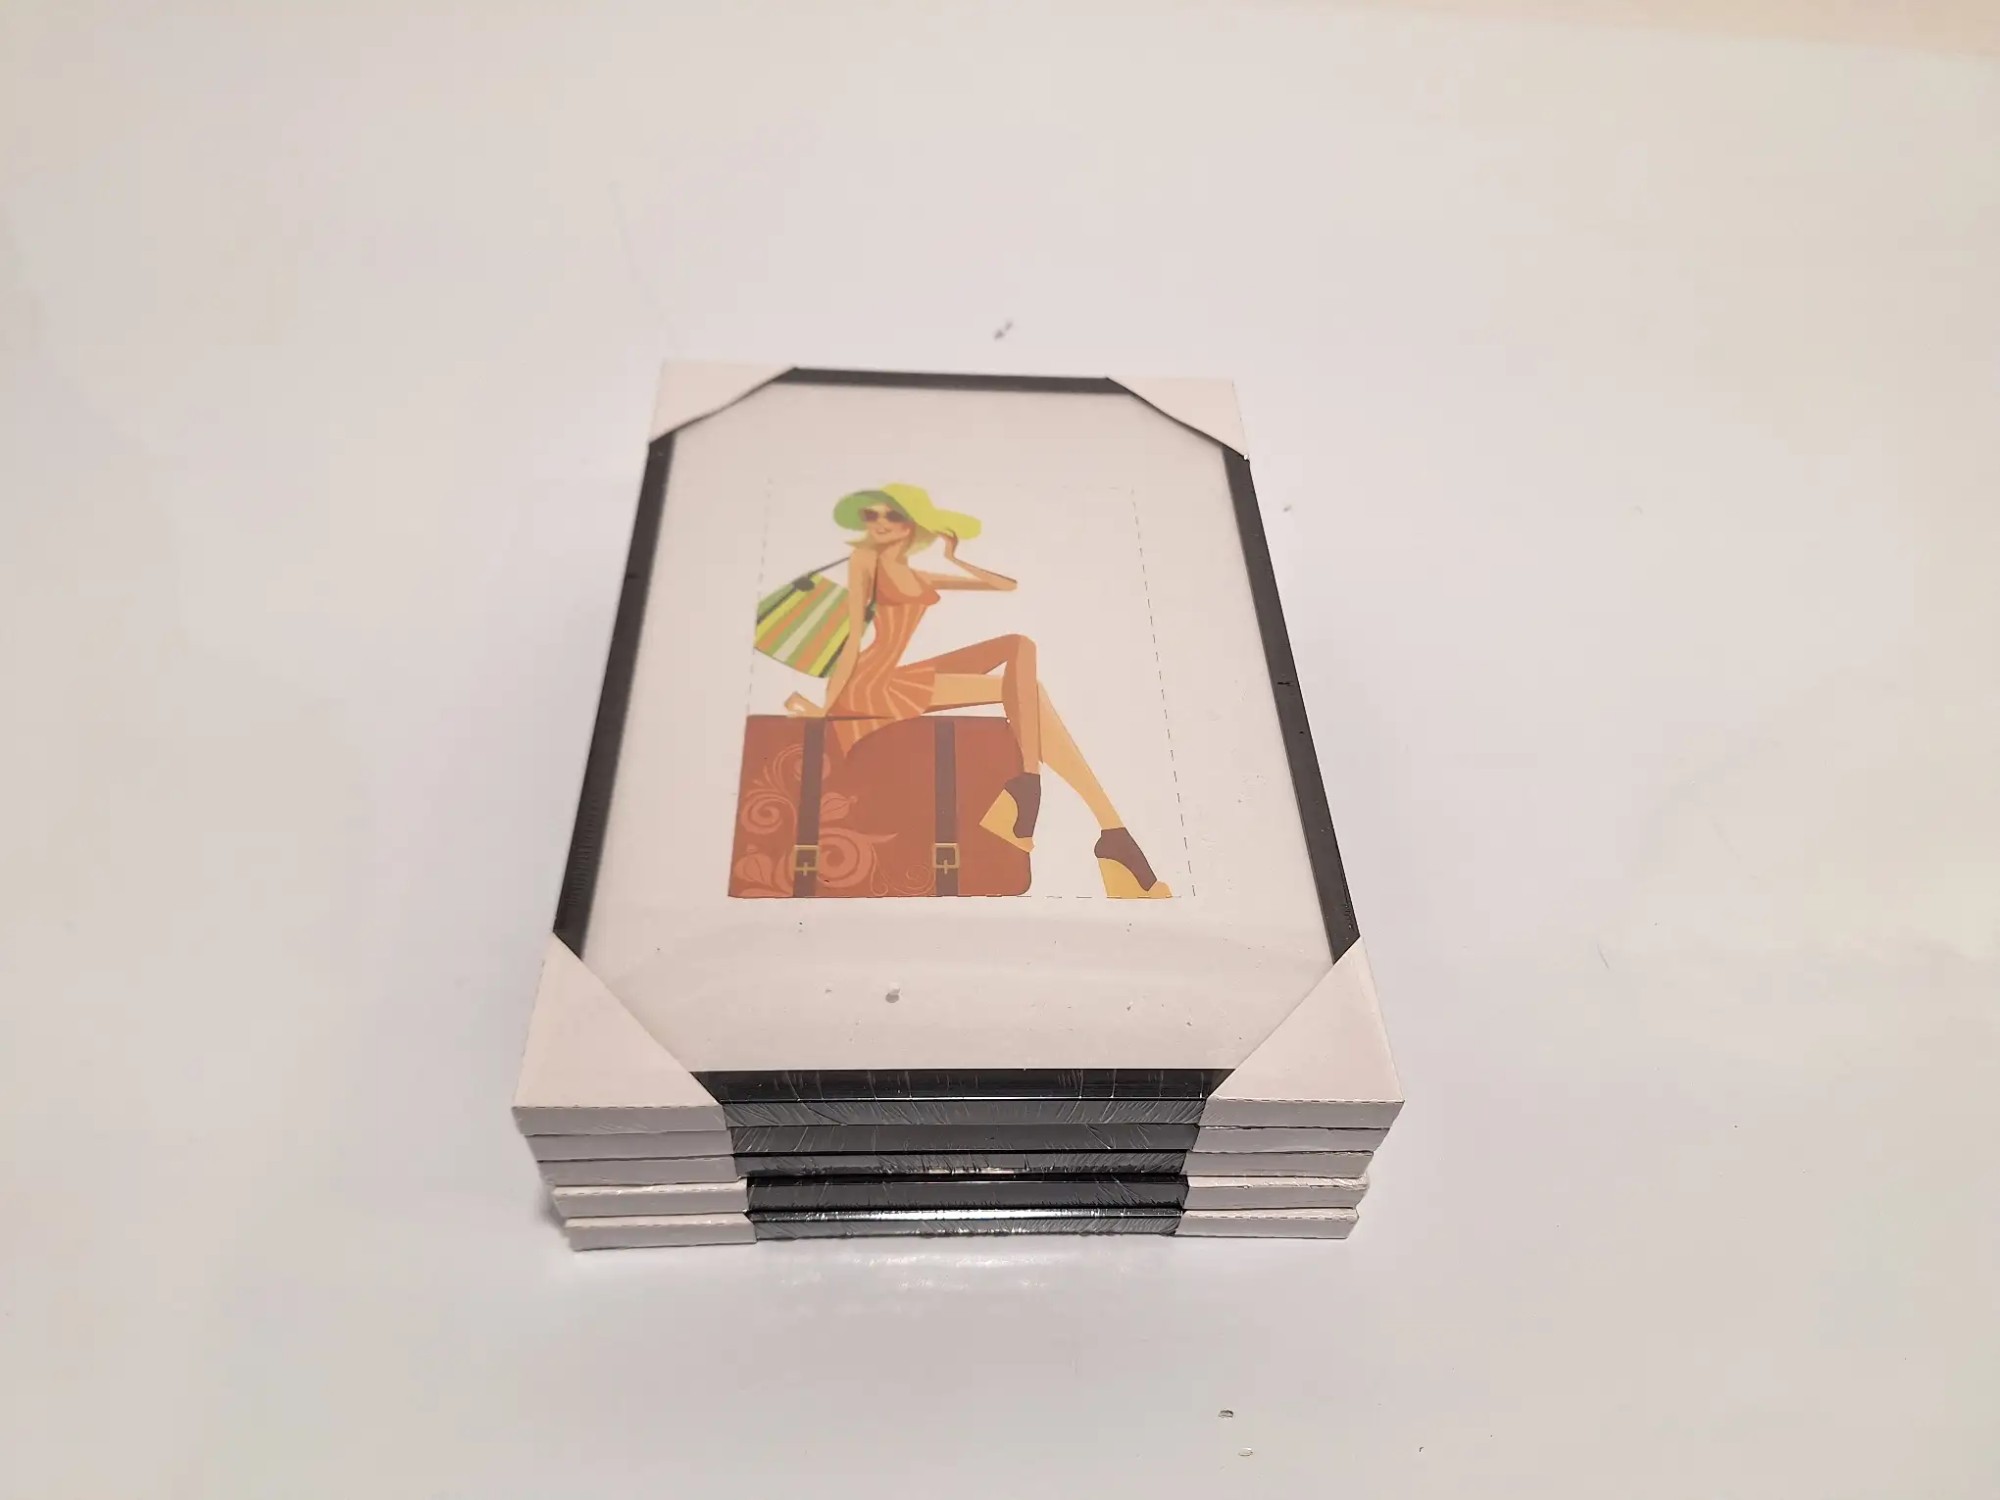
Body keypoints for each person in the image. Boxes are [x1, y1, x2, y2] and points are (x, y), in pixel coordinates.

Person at [785, 484, 1170, 899]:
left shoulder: (916, 575)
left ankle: (1048, 796)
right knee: (1026, 691)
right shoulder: (865, 561)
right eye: (871, 516)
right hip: (869, 685)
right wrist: (828, 706)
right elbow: (853, 638)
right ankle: (1097, 827)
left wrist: (955, 558)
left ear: (913, 524)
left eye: (891, 515)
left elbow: (1004, 585)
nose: (879, 523)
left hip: (897, 675)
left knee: (1019, 650)